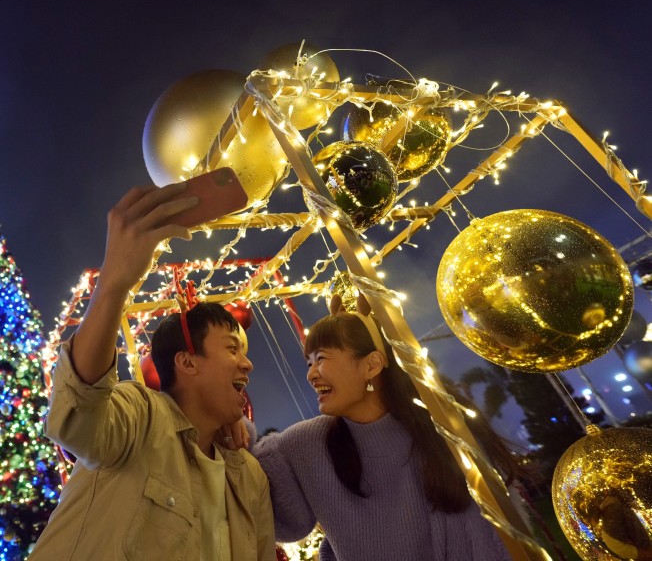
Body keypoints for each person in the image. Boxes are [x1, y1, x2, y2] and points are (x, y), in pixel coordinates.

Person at [29, 184, 276, 560]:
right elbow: (78, 411)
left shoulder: (249, 477)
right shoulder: (140, 417)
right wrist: (114, 281)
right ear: (187, 362)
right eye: (231, 348)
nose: (247, 363)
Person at [251, 294, 513, 561]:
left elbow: (496, 539)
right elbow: (273, 516)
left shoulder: (441, 431)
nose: (311, 374)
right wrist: (236, 426)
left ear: (372, 365)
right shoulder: (305, 443)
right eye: (309, 363)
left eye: (321, 358)